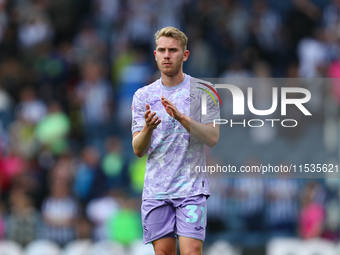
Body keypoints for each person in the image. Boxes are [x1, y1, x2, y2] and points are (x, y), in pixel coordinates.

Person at [131, 26, 220, 255]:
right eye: (161, 50)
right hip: (156, 189)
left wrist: (181, 117)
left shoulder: (204, 91)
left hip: (191, 188)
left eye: (173, 50)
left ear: (185, 55)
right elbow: (138, 149)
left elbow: (212, 137)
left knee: (191, 252)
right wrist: (148, 129)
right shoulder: (143, 96)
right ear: (155, 54)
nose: (167, 55)